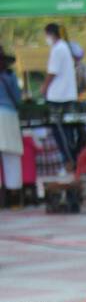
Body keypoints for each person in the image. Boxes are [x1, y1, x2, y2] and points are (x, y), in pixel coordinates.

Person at [41, 23, 78, 168]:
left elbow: (52, 72)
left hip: (58, 97)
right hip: (66, 95)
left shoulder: (58, 49)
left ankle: (69, 161)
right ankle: (70, 161)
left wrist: (44, 87)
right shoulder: (64, 47)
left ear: (50, 34)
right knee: (66, 131)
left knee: (61, 132)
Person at [0, 48, 24, 209]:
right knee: (12, 157)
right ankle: (15, 199)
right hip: (8, 115)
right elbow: (17, 98)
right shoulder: (9, 76)